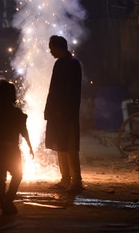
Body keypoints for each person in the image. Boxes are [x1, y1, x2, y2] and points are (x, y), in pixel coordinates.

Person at [0, 80, 34, 215]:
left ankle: (4, 201)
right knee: (18, 175)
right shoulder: (17, 113)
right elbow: (24, 130)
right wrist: (29, 146)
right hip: (12, 148)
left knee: (0, 176)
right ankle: (7, 200)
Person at [44, 35, 84, 193]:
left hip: (67, 114)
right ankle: (65, 179)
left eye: (51, 47)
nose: (50, 51)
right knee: (60, 145)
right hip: (57, 112)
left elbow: (71, 92)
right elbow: (53, 89)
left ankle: (76, 181)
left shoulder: (72, 64)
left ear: (58, 47)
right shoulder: (60, 63)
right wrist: (50, 109)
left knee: (70, 146)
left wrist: (62, 110)